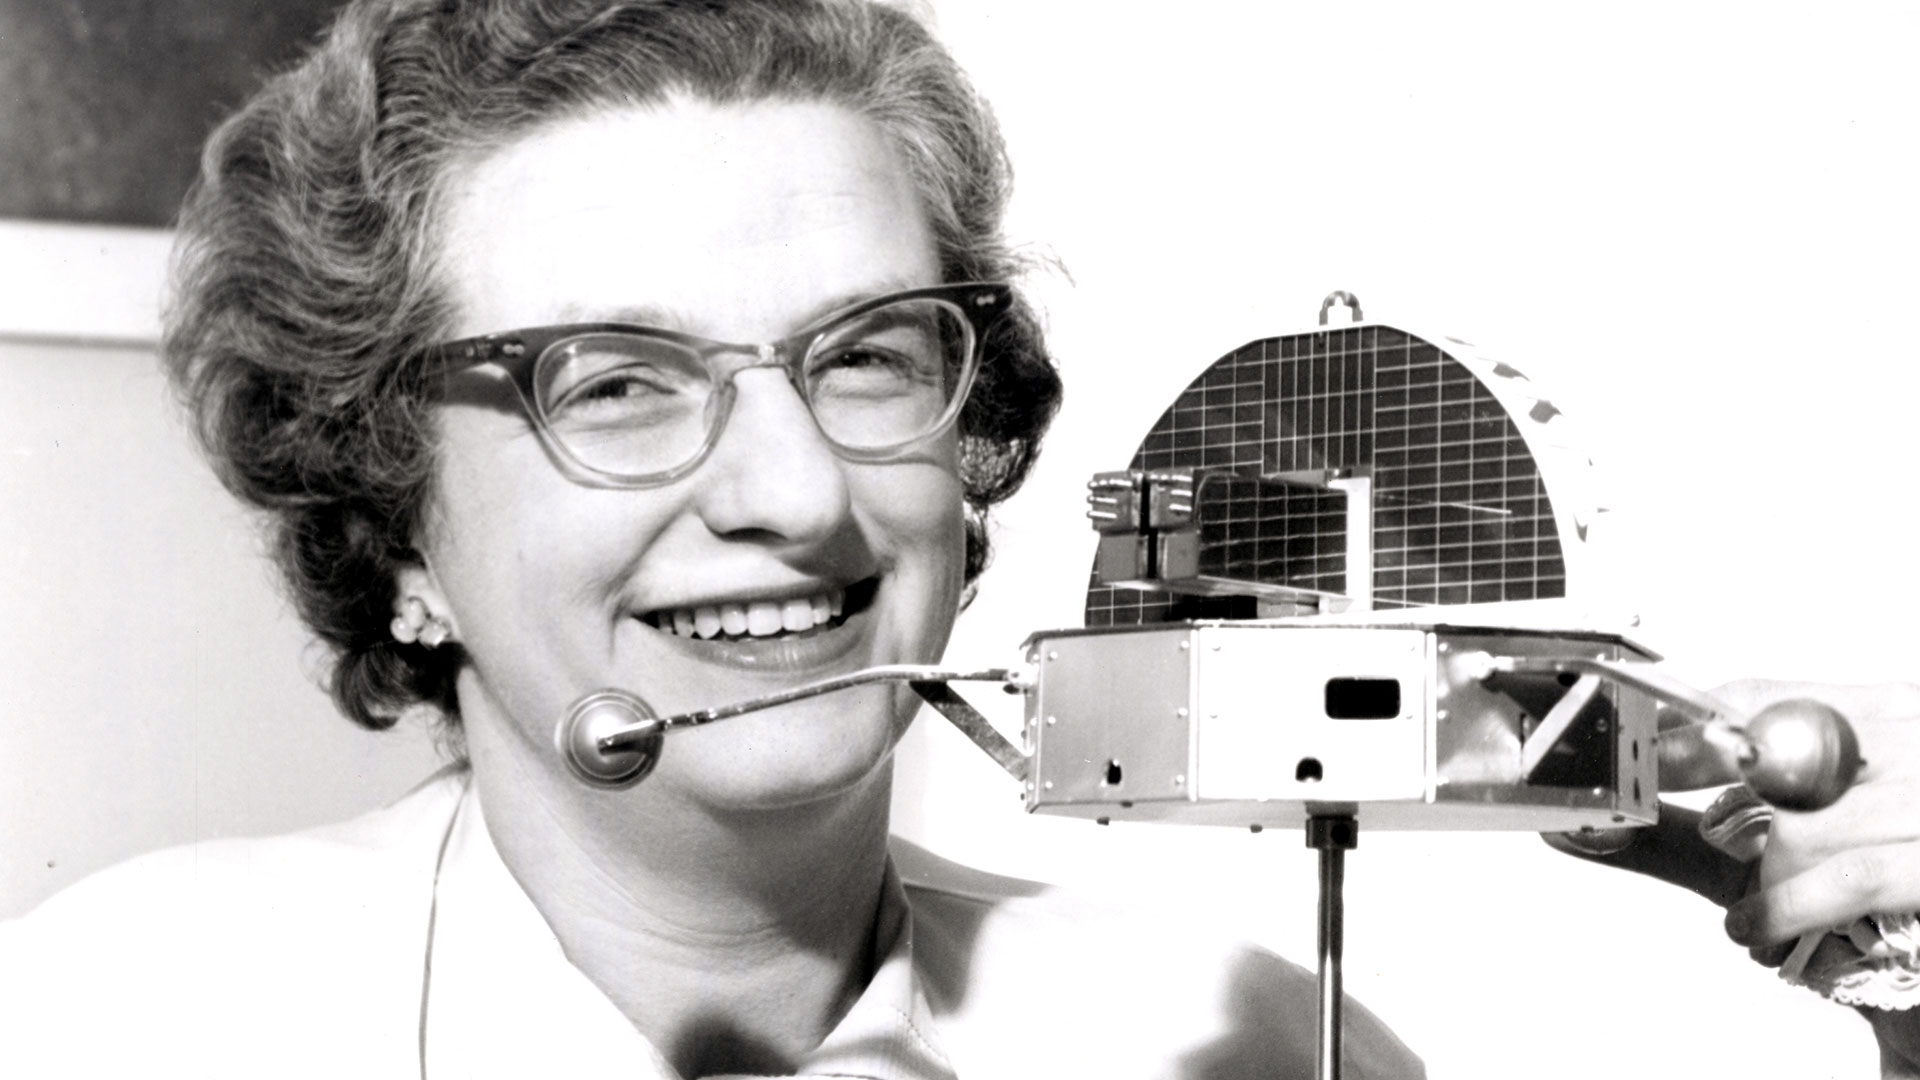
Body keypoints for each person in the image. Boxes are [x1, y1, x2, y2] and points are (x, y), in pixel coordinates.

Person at [1, 2, 1915, 1078]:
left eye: (866, 356)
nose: (796, 494)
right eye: (616, 383)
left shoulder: (1243, 1042)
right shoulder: (119, 1024)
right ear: (389, 518)